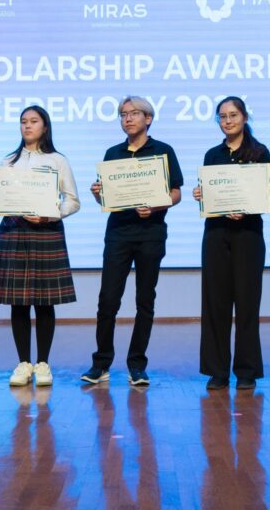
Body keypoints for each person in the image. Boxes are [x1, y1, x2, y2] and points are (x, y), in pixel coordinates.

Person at [81, 96, 183, 387]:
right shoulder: (113, 153)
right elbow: (106, 198)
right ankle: (101, 363)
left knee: (145, 300)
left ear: (148, 118)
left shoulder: (163, 151)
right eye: (123, 114)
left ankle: (137, 365)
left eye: (134, 113)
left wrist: (156, 205)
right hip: (118, 233)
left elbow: (176, 193)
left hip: (151, 233)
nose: (127, 118)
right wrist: (98, 194)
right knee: (108, 300)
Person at [0, 105, 80, 387]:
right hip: (14, 231)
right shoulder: (8, 161)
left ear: (45, 126)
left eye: (33, 121)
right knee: (18, 302)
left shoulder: (57, 160)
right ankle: (23, 364)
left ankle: (42, 364)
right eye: (23, 121)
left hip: (46, 231)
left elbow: (73, 201)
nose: (27, 126)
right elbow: (0, 197)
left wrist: (51, 215)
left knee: (44, 301)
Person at [192, 97, 270, 390]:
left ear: (244, 117)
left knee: (247, 303)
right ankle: (217, 371)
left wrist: (247, 209)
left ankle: (246, 370)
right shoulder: (212, 155)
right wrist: (202, 194)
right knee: (214, 303)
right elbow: (210, 195)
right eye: (222, 116)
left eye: (233, 115)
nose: (227, 121)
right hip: (215, 234)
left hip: (248, 235)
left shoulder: (259, 152)